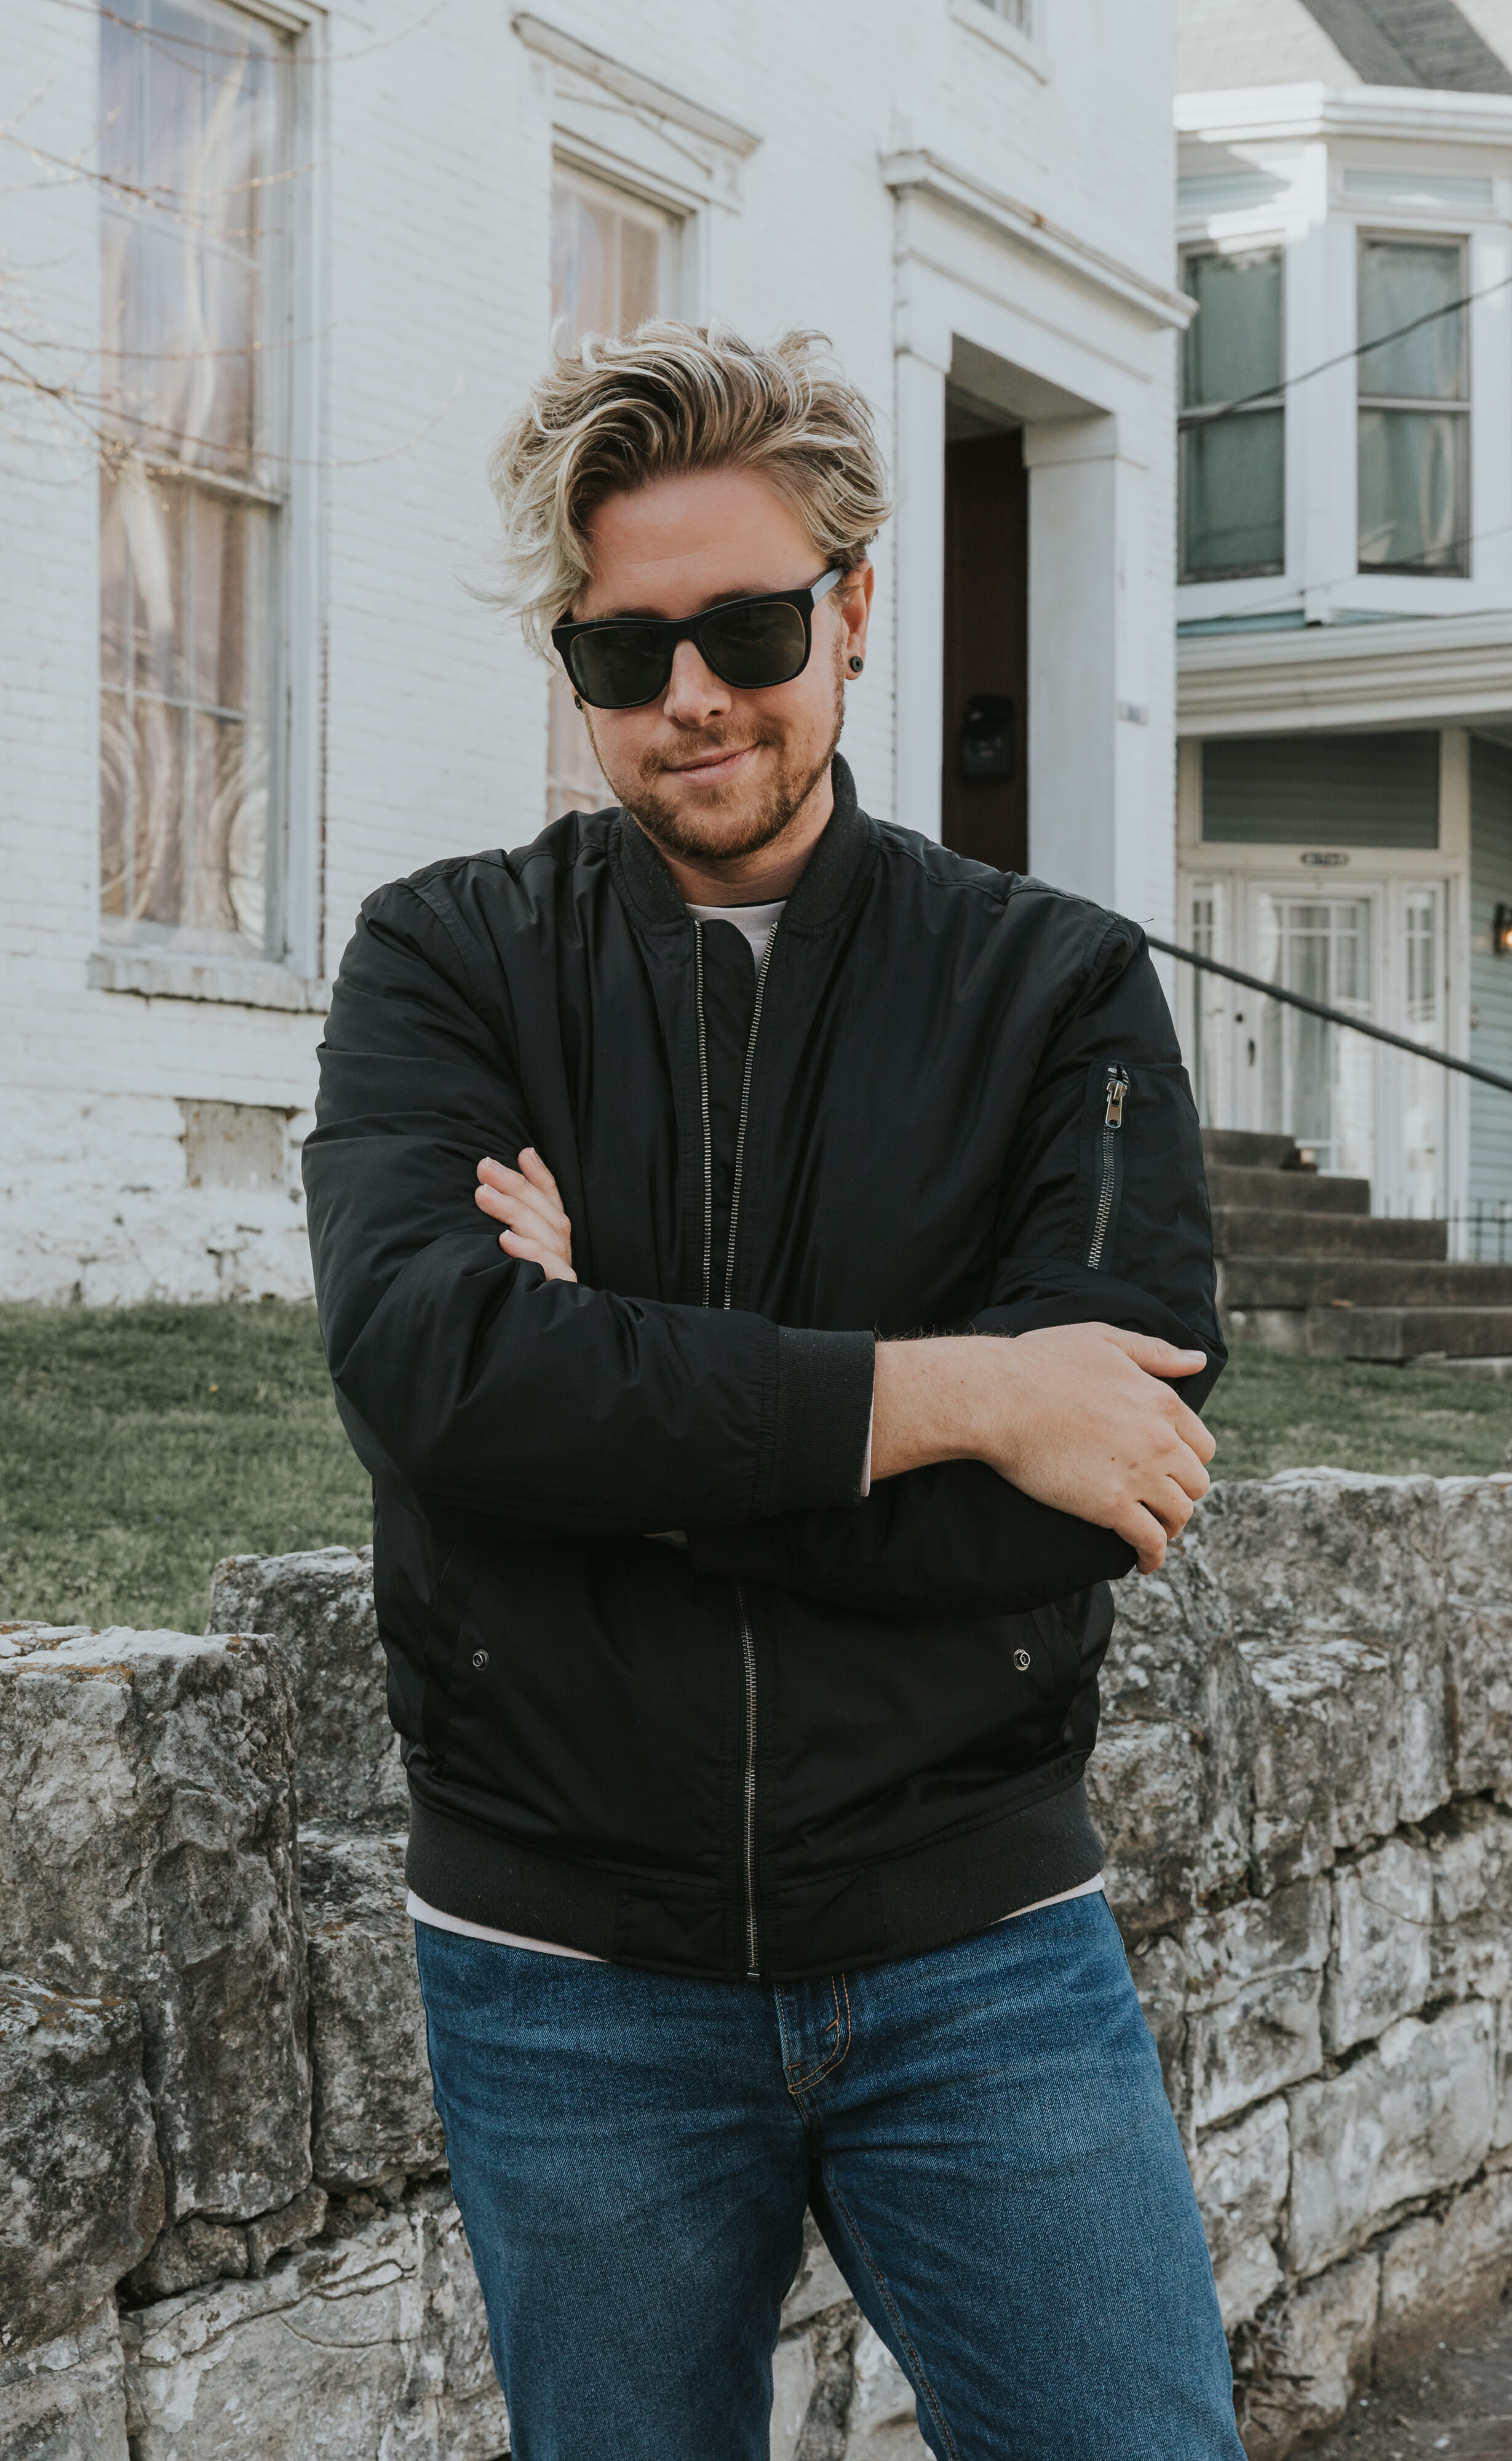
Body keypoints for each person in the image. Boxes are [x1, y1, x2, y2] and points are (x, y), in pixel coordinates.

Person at [304, 322, 1239, 2460]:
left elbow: (1074, 1495)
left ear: (852, 609)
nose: (691, 696)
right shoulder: (448, 961)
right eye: (622, 653)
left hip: (974, 1940)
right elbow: (445, 1385)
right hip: (563, 1963)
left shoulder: (1053, 985)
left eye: (741, 626)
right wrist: (963, 1388)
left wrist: (604, 1403)